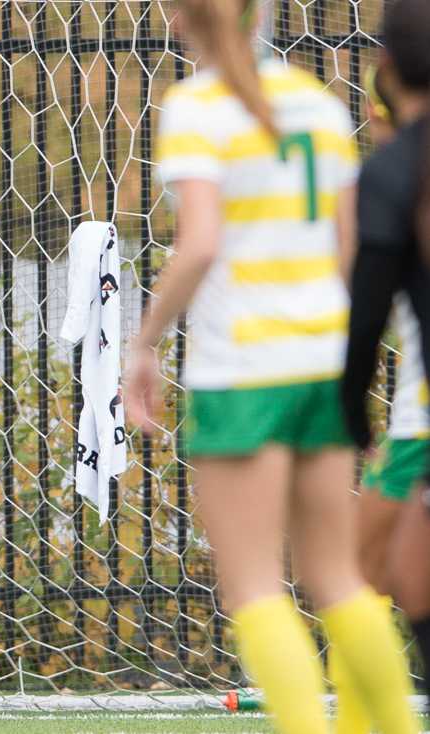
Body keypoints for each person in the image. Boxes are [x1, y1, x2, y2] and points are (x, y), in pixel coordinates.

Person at [125, 1, 419, 732]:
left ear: (178, 20)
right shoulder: (316, 104)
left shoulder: (197, 108)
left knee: (256, 587)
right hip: (319, 364)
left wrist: (144, 343)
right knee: (339, 579)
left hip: (242, 373)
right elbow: (351, 248)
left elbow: (198, 246)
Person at [341, 0, 430, 699]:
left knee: (361, 575)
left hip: (419, 422)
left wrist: (351, 419)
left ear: (388, 70)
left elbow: (364, 318)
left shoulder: (395, 174)